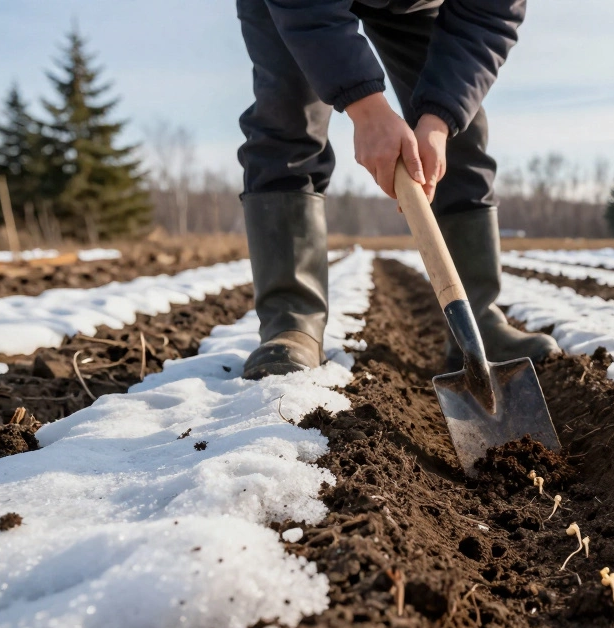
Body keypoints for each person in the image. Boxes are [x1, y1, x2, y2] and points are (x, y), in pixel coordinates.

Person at [235, 0, 561, 379]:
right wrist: (367, 108)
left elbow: (490, 14)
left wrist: (439, 121)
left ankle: (476, 324)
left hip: (415, 5)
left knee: (458, 137)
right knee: (287, 120)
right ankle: (290, 324)